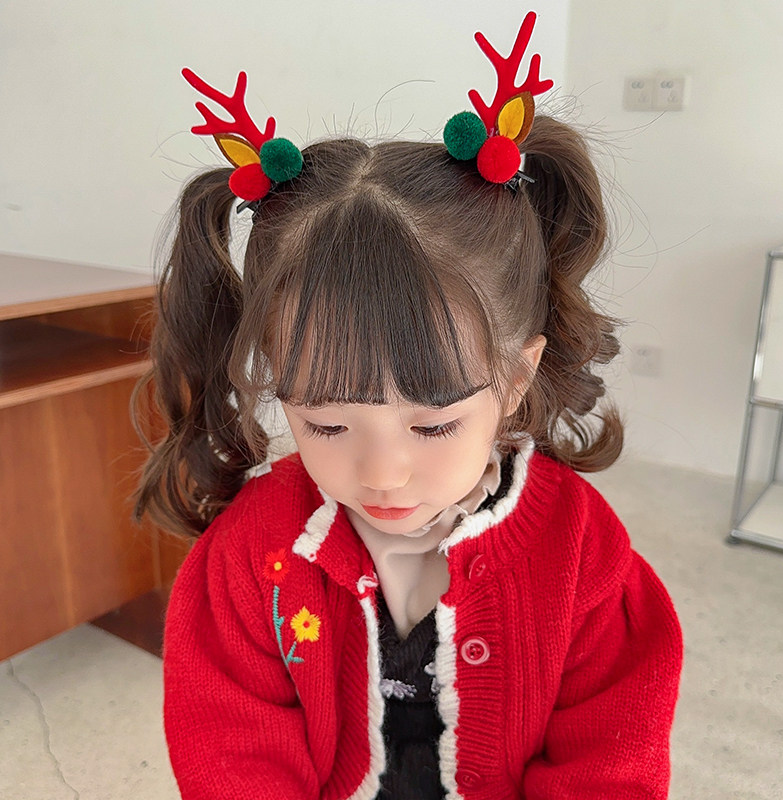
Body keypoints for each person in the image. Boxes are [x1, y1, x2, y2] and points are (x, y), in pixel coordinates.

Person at [133, 12, 682, 799]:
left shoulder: (582, 552)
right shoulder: (252, 559)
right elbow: (232, 754)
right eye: (326, 423)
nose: (383, 473)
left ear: (515, 378)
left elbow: (611, 761)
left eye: (434, 424)